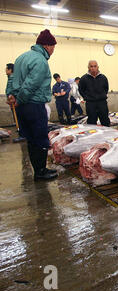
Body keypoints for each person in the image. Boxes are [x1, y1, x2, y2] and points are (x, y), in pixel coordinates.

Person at [7, 29, 58, 180]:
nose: (53, 50)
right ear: (47, 45)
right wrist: (20, 99)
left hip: (23, 106)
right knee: (40, 137)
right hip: (34, 105)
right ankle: (41, 171)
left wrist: (13, 96)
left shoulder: (21, 58)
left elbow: (13, 81)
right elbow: (31, 85)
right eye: (53, 46)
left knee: (30, 138)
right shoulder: (40, 61)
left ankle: (38, 169)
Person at [79, 60, 110, 126]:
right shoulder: (84, 78)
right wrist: (86, 97)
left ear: (98, 67)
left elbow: (106, 88)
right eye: (91, 66)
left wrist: (101, 95)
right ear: (88, 67)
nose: (93, 68)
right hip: (90, 104)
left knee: (105, 121)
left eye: (95, 66)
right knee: (91, 122)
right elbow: (81, 90)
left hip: (102, 103)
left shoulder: (103, 78)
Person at [5, 63, 25, 142]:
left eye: (6, 69)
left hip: (15, 100)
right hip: (13, 100)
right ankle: (20, 130)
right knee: (17, 117)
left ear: (10, 70)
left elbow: (14, 89)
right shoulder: (11, 77)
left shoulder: (13, 77)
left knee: (20, 117)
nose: (5, 71)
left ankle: (22, 134)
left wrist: (11, 96)